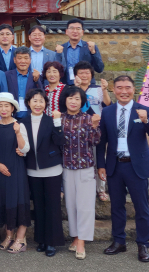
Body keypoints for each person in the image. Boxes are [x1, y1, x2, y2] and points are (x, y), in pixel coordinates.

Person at [97, 76, 149, 263]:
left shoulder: (145, 110)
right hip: (115, 165)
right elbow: (102, 141)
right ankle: (119, 241)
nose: (123, 91)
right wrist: (101, 164)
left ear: (134, 89)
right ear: (114, 90)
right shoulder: (107, 112)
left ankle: (143, 244)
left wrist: (146, 121)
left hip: (136, 166)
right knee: (116, 206)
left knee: (141, 208)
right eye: (119, 88)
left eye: (127, 88)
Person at [60, 86, 101, 260]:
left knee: (85, 206)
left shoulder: (88, 118)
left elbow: (96, 140)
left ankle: (82, 241)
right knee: (71, 205)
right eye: (70, 98)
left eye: (77, 98)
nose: (73, 101)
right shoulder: (59, 119)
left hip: (85, 167)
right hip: (66, 167)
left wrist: (94, 126)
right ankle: (75, 237)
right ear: (65, 100)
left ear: (82, 101)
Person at [23, 88, 65, 257]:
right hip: (33, 171)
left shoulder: (51, 120)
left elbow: (60, 141)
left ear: (46, 104)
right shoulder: (23, 122)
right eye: (34, 101)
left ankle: (52, 242)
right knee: (39, 207)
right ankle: (41, 239)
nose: (38, 104)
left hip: (52, 170)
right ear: (28, 103)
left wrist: (57, 123)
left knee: (53, 207)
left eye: (41, 101)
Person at [0, 92, 31, 253]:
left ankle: (20, 240)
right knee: (4, 201)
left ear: (13, 108)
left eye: (7, 105)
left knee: (18, 201)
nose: (4, 108)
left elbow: (25, 149)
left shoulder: (19, 125)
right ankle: (8, 236)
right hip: (0, 169)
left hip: (17, 169)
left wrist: (18, 132)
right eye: (1, 105)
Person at [73, 61, 112, 201]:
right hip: (78, 129)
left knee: (99, 157)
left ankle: (101, 189)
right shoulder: (72, 90)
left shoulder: (97, 89)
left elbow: (107, 105)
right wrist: (77, 89)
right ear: (75, 75)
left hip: (97, 127)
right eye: (81, 73)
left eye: (87, 73)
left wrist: (105, 90)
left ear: (91, 75)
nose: (84, 75)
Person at [55, 18, 104, 85]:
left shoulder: (90, 47)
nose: (75, 31)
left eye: (78, 29)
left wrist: (93, 52)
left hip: (86, 86)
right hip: (66, 86)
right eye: (72, 28)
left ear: (82, 32)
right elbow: (56, 70)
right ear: (66, 31)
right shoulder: (60, 49)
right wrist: (58, 54)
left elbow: (99, 68)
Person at [5, 46, 43, 119]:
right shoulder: (7, 75)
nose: (23, 61)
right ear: (14, 60)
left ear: (30, 60)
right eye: (19, 58)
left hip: (31, 117)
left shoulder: (35, 76)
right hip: (11, 117)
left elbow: (41, 94)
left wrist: (37, 80)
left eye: (26, 58)